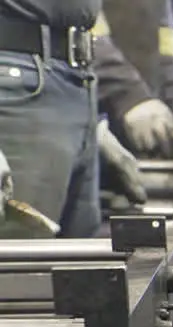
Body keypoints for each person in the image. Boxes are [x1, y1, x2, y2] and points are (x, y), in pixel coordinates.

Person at [0, 0, 108, 237]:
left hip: (73, 79)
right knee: (19, 268)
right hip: (17, 81)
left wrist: (91, 121)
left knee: (79, 269)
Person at [92, 0, 173, 158]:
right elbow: (83, 31)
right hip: (86, 115)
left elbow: (167, 50)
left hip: (136, 119)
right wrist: (129, 96)